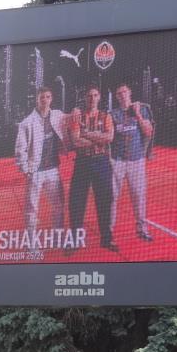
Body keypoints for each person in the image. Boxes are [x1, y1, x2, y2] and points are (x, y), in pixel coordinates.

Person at [68, 85, 117, 252]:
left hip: (101, 161)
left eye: (95, 95)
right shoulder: (77, 116)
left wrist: (86, 134)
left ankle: (106, 239)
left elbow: (109, 137)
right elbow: (75, 141)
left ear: (99, 97)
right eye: (89, 95)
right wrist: (97, 138)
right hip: (82, 162)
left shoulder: (105, 116)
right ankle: (75, 240)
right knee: (76, 202)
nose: (92, 98)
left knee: (104, 201)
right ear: (85, 98)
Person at [15, 87, 68, 239]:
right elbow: (20, 149)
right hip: (35, 171)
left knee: (58, 205)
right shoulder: (27, 123)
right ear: (37, 99)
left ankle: (58, 238)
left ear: (51, 99)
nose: (45, 100)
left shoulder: (57, 115)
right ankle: (32, 244)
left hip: (53, 169)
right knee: (32, 209)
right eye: (42, 97)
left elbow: (72, 117)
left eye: (48, 97)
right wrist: (26, 170)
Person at [110, 83, 154, 241]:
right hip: (117, 160)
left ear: (130, 93)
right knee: (112, 196)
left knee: (138, 195)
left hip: (136, 160)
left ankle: (141, 228)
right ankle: (109, 230)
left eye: (124, 92)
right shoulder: (113, 114)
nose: (122, 95)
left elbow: (148, 131)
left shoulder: (141, 109)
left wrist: (138, 114)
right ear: (116, 97)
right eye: (119, 93)